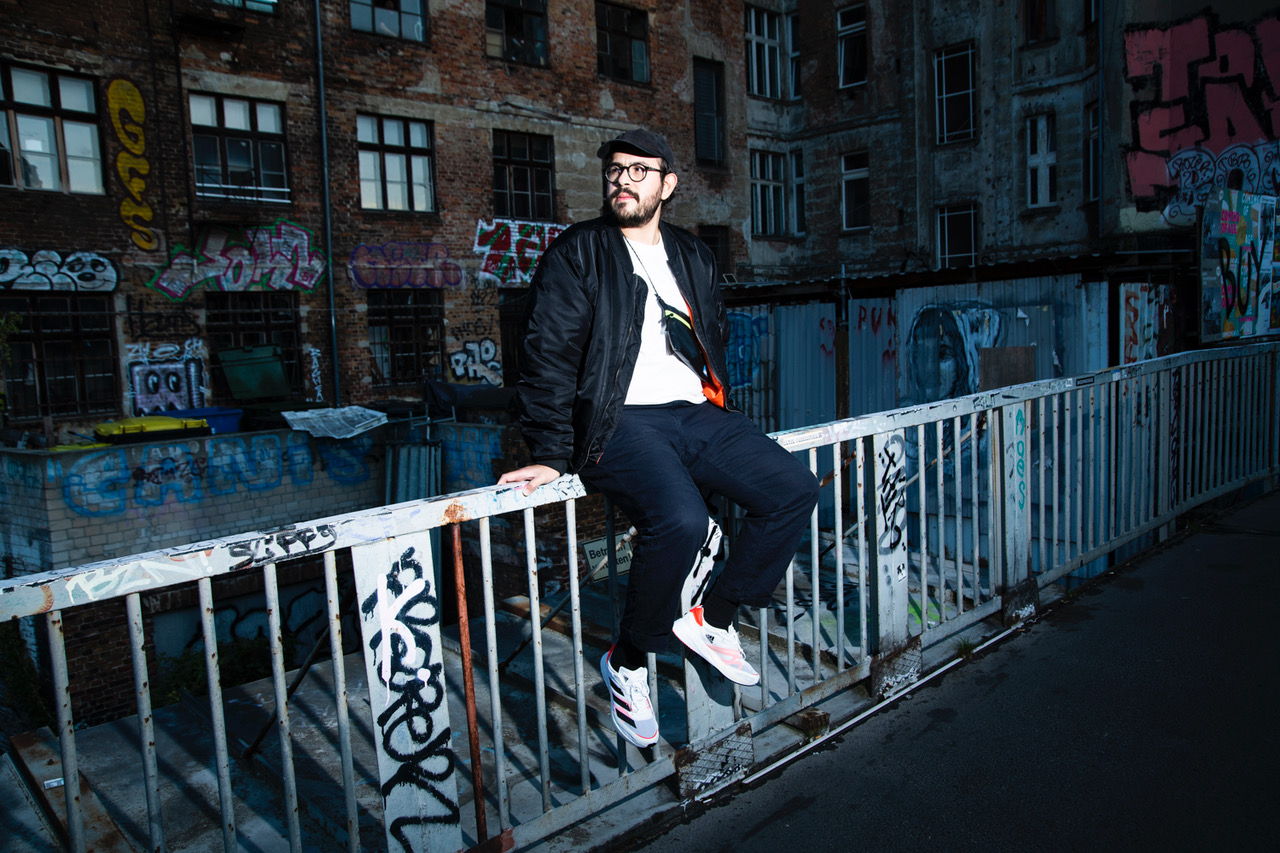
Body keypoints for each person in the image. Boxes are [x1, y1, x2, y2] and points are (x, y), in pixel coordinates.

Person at [497, 129, 819, 748]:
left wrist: (716, 403)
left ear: (667, 185)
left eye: (639, 171)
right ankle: (627, 660)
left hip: (695, 412)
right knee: (681, 520)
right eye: (616, 170)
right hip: (619, 419)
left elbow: (710, 336)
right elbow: (547, 353)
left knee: (792, 490)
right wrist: (551, 452)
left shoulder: (692, 255)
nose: (624, 180)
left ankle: (713, 618)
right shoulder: (580, 251)